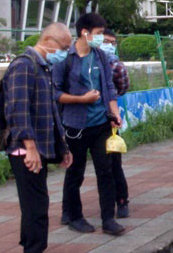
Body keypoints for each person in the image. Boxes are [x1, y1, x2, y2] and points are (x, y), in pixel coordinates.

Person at [4, 23, 74, 253]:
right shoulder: (24, 66)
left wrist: (62, 147)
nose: (65, 53)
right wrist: (31, 149)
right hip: (26, 150)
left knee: (34, 204)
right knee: (37, 206)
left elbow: (51, 111)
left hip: (39, 148)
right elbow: (18, 112)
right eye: (64, 47)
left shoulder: (43, 67)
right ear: (48, 40)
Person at [53, 12, 124, 236]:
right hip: (75, 125)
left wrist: (115, 113)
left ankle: (108, 219)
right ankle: (74, 215)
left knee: (106, 171)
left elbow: (110, 89)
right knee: (76, 172)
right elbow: (54, 93)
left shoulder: (101, 57)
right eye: (99, 33)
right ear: (85, 33)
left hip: (101, 123)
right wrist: (81, 100)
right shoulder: (65, 59)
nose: (102, 38)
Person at [101, 29, 130, 218]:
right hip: (82, 122)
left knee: (114, 163)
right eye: (105, 41)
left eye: (112, 42)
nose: (109, 46)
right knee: (75, 168)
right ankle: (69, 210)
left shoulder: (116, 67)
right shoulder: (80, 62)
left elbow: (121, 90)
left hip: (109, 120)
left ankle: (121, 201)